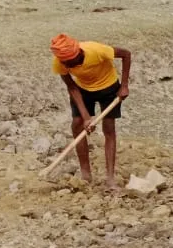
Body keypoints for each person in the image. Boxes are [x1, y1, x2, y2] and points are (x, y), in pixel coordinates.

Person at [50, 33, 131, 191]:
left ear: (77, 54)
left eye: (69, 62)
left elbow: (126, 54)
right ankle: (86, 175)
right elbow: (72, 87)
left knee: (108, 127)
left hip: (108, 87)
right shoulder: (60, 63)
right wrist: (87, 117)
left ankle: (110, 179)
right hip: (83, 90)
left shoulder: (96, 50)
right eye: (64, 63)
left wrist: (124, 86)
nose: (66, 66)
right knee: (77, 124)